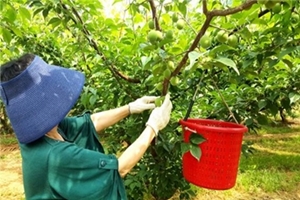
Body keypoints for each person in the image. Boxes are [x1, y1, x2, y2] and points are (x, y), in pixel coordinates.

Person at [0, 53, 172, 199]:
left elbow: (91, 122)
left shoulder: (41, 131)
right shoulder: (56, 156)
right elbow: (119, 168)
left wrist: (130, 108)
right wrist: (153, 127)